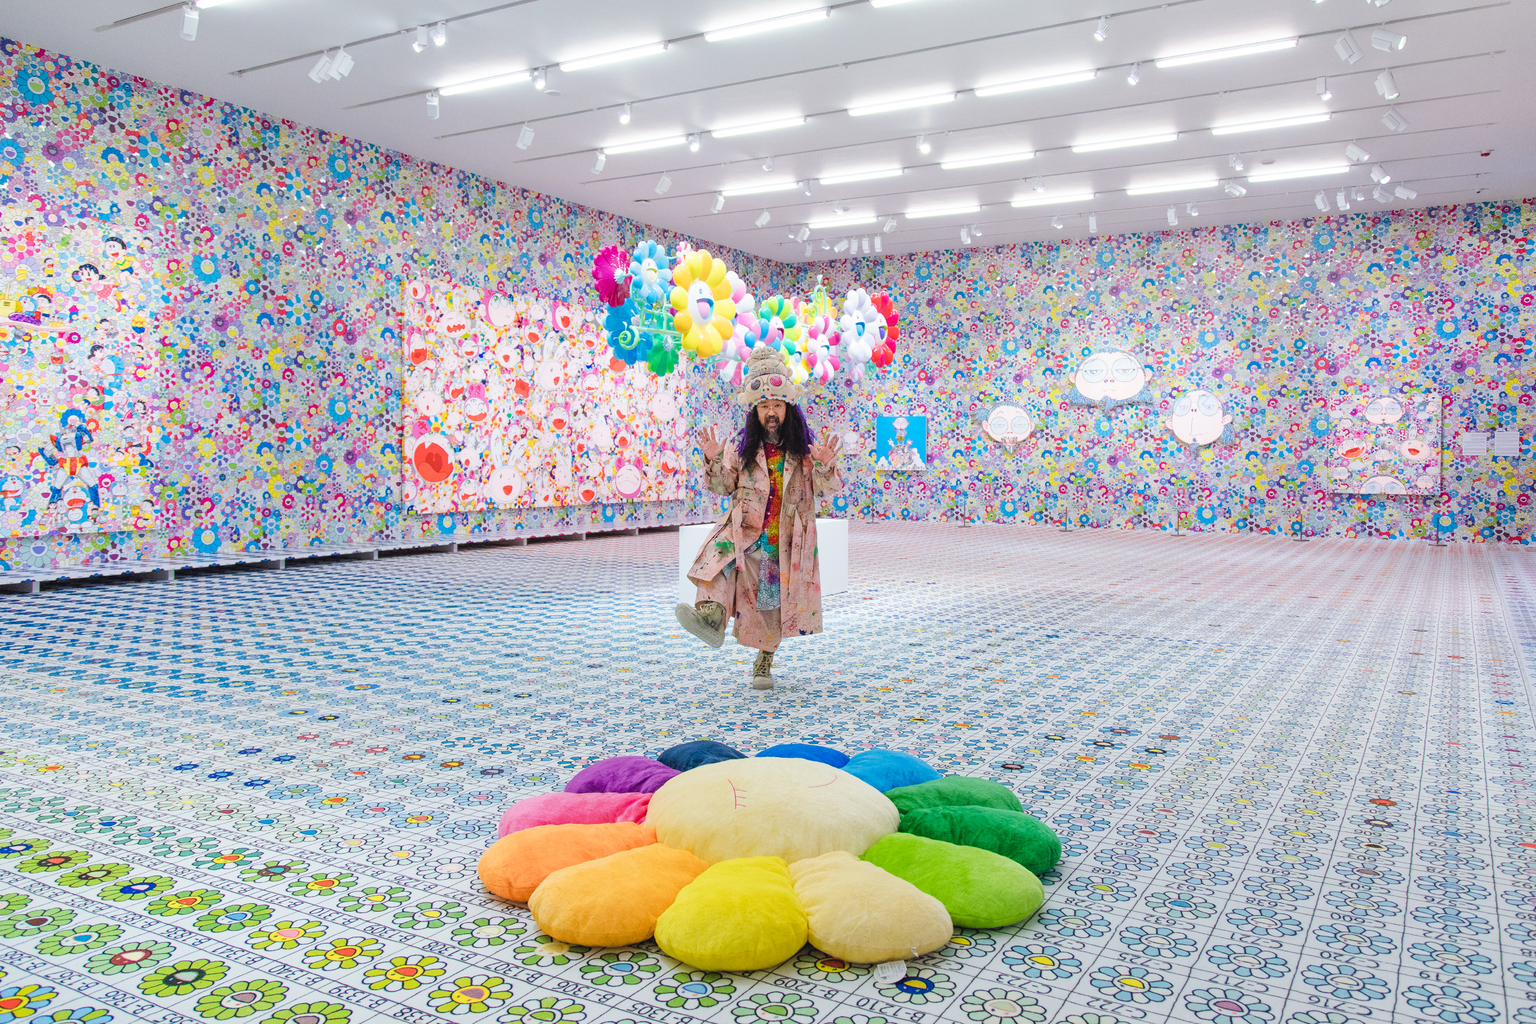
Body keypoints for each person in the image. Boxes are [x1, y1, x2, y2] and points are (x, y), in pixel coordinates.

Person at [676, 346, 844, 689]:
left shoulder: (805, 451)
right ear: (755, 410)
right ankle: (711, 617)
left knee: (770, 604)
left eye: (777, 406)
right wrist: (713, 460)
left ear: (788, 409)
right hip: (744, 531)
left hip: (783, 539)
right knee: (715, 561)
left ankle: (764, 662)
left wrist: (826, 465)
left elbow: (827, 489)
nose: (771, 412)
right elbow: (723, 486)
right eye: (764, 406)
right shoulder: (742, 450)